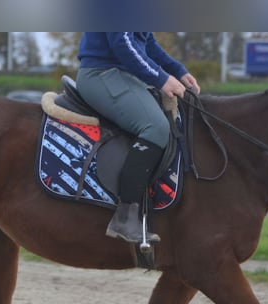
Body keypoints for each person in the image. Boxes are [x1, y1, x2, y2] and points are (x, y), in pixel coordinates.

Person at [76, 33, 200, 245]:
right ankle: (125, 217)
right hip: (102, 74)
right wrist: (161, 78)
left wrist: (177, 70)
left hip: (124, 74)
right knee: (156, 128)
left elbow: (147, 43)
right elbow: (122, 44)